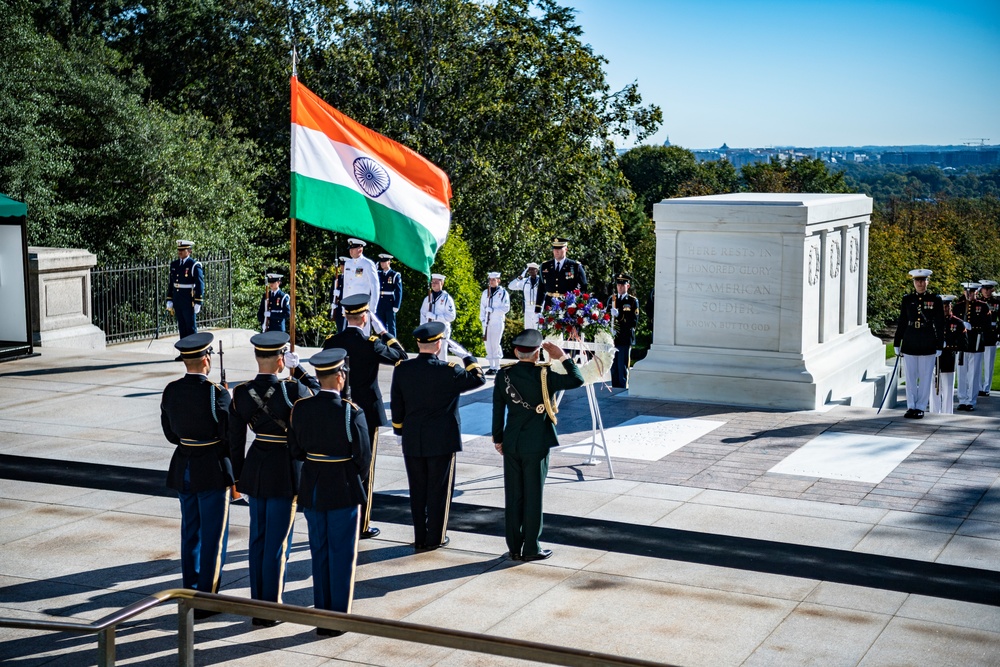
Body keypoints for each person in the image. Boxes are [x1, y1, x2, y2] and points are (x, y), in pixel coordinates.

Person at [228, 331, 319, 626]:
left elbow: (235, 439)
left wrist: (237, 478)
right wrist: (301, 371)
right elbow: (323, 399)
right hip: (285, 468)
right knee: (277, 541)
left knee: (259, 538)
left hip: (255, 466)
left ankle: (258, 600)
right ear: (282, 360)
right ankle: (271, 606)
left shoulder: (241, 393)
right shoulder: (293, 391)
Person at [288, 348, 370, 635]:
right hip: (343, 488)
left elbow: (296, 450)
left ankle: (322, 612)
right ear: (338, 376)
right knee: (341, 555)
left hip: (312, 487)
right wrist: (350, 479)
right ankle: (337, 616)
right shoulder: (351, 412)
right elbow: (363, 459)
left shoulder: (301, 408)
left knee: (319, 551)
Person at [390, 322, 485, 550]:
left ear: (418, 343)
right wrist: (468, 357)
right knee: (439, 491)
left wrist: (399, 430)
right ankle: (435, 538)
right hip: (442, 440)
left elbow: (397, 404)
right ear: (439, 344)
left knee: (417, 489)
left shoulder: (403, 368)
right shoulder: (449, 370)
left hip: (413, 437)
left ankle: (420, 536)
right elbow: (479, 378)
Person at [492, 330, 584, 561]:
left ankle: (514, 546)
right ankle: (531, 547)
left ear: (515, 352)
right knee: (533, 495)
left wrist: (498, 439)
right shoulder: (545, 375)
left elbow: (497, 411)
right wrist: (562, 356)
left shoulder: (503, 375)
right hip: (537, 443)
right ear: (537, 354)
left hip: (512, 443)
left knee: (514, 496)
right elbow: (577, 379)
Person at [323, 293, 408, 540]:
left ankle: (336, 518)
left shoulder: (332, 342)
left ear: (346, 316)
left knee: (338, 464)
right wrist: (384, 333)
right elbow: (401, 358)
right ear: (365, 317)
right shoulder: (372, 343)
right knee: (364, 469)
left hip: (338, 411)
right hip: (366, 413)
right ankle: (361, 525)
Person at [160, 333, 233, 614]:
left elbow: (170, 433)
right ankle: (208, 597)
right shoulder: (217, 394)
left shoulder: (171, 390)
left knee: (191, 531)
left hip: (184, 467)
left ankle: (189, 591)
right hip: (211, 469)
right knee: (213, 534)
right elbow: (228, 435)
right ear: (206, 359)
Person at [893, 269, 944, 419]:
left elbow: (940, 323)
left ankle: (921, 406)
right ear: (913, 282)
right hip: (910, 340)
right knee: (910, 377)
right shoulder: (907, 299)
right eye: (917, 281)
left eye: (923, 280)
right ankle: (911, 406)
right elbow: (902, 321)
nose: (920, 283)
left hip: (928, 341)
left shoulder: (935, 299)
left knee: (925, 376)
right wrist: (897, 341)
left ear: (928, 282)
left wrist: (940, 344)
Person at [955, 282, 991, 411]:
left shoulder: (983, 306)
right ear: (964, 292)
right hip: (962, 344)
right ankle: (962, 399)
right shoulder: (958, 306)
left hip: (975, 341)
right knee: (962, 373)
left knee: (974, 374)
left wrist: (974, 327)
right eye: (967, 292)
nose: (969, 294)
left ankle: (971, 400)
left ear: (976, 292)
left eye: (972, 292)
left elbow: (986, 325)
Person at [336, 239, 380, 335]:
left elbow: (375, 286)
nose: (350, 251)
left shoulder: (367, 264)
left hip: (362, 305)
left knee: (363, 334)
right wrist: (344, 306)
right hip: (350, 304)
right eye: (350, 249)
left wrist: (372, 308)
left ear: (360, 249)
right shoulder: (348, 263)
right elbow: (346, 286)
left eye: (353, 249)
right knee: (350, 334)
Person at [931, 296, 966, 415]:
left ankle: (947, 414)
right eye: (943, 306)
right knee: (934, 389)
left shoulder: (958, 323)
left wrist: (948, 345)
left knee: (948, 389)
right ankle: (934, 413)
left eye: (947, 306)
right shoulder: (933, 321)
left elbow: (963, 344)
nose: (945, 308)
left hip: (948, 360)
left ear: (951, 306)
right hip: (934, 360)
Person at [166, 240, 204, 339]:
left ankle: (193, 353)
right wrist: (169, 299)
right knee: (182, 327)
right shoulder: (174, 265)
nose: (180, 252)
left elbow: (200, 284)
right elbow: (172, 283)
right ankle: (184, 353)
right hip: (178, 299)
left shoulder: (194, 265)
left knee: (190, 327)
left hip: (188, 299)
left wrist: (198, 301)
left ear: (189, 251)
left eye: (183, 250)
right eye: (179, 250)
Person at [609, 273, 640, 389]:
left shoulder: (632, 301)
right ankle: (614, 386)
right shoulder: (612, 299)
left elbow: (633, 320)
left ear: (628, 286)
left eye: (623, 285)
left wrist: (620, 315)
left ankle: (622, 387)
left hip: (625, 337)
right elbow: (607, 316)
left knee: (622, 365)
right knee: (614, 365)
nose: (620, 287)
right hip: (613, 338)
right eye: (618, 285)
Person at [419, 273, 457, 361]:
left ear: (442, 283)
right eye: (433, 282)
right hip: (430, 331)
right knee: (429, 356)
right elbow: (423, 314)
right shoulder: (428, 298)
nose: (434, 284)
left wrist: (435, 317)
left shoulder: (447, 298)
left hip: (441, 330)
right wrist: (423, 327)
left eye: (436, 282)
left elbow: (451, 317)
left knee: (442, 356)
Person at [540, 237, 586, 307]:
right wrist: (538, 307)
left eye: (559, 249)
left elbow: (583, 287)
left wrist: (578, 304)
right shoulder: (545, 266)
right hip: (549, 304)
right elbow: (541, 287)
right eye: (555, 249)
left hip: (567, 304)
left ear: (566, 249)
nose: (556, 251)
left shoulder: (575, 266)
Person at [480, 271, 510, 375]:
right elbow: (482, 307)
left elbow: (506, 308)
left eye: (494, 280)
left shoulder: (503, 293)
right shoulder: (485, 292)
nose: (491, 282)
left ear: (498, 280)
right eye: (490, 280)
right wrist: (482, 320)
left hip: (497, 320)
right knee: (487, 344)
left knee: (495, 343)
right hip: (487, 321)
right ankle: (491, 365)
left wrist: (493, 310)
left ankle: (496, 366)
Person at [979, 279, 999, 395]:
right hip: (980, 334)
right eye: (984, 289)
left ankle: (986, 388)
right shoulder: (978, 302)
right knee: (978, 363)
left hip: (991, 334)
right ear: (981, 290)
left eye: (988, 289)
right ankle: (979, 386)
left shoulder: (996, 303)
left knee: (989, 363)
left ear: (992, 290)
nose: (986, 291)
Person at [508, 263, 542, 330]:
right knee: (528, 330)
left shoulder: (541, 281)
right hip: (528, 309)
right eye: (529, 269)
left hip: (538, 308)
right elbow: (510, 286)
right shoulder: (524, 281)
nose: (531, 271)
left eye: (533, 269)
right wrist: (519, 278)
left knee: (538, 329)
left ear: (537, 270)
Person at [376, 254, 403, 338]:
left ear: (389, 262)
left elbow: (399, 291)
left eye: (384, 262)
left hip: (390, 303)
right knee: (381, 325)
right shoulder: (379, 274)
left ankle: (393, 345)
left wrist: (396, 305)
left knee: (391, 326)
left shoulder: (394, 275)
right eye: (381, 262)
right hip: (380, 303)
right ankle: (383, 344)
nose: (382, 264)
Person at [329, 256, 348, 333]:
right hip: (338, 307)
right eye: (341, 266)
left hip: (345, 307)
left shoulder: (349, 279)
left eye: (344, 266)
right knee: (339, 327)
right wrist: (332, 303)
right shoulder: (337, 278)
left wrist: (340, 294)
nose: (342, 268)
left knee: (345, 328)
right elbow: (332, 292)